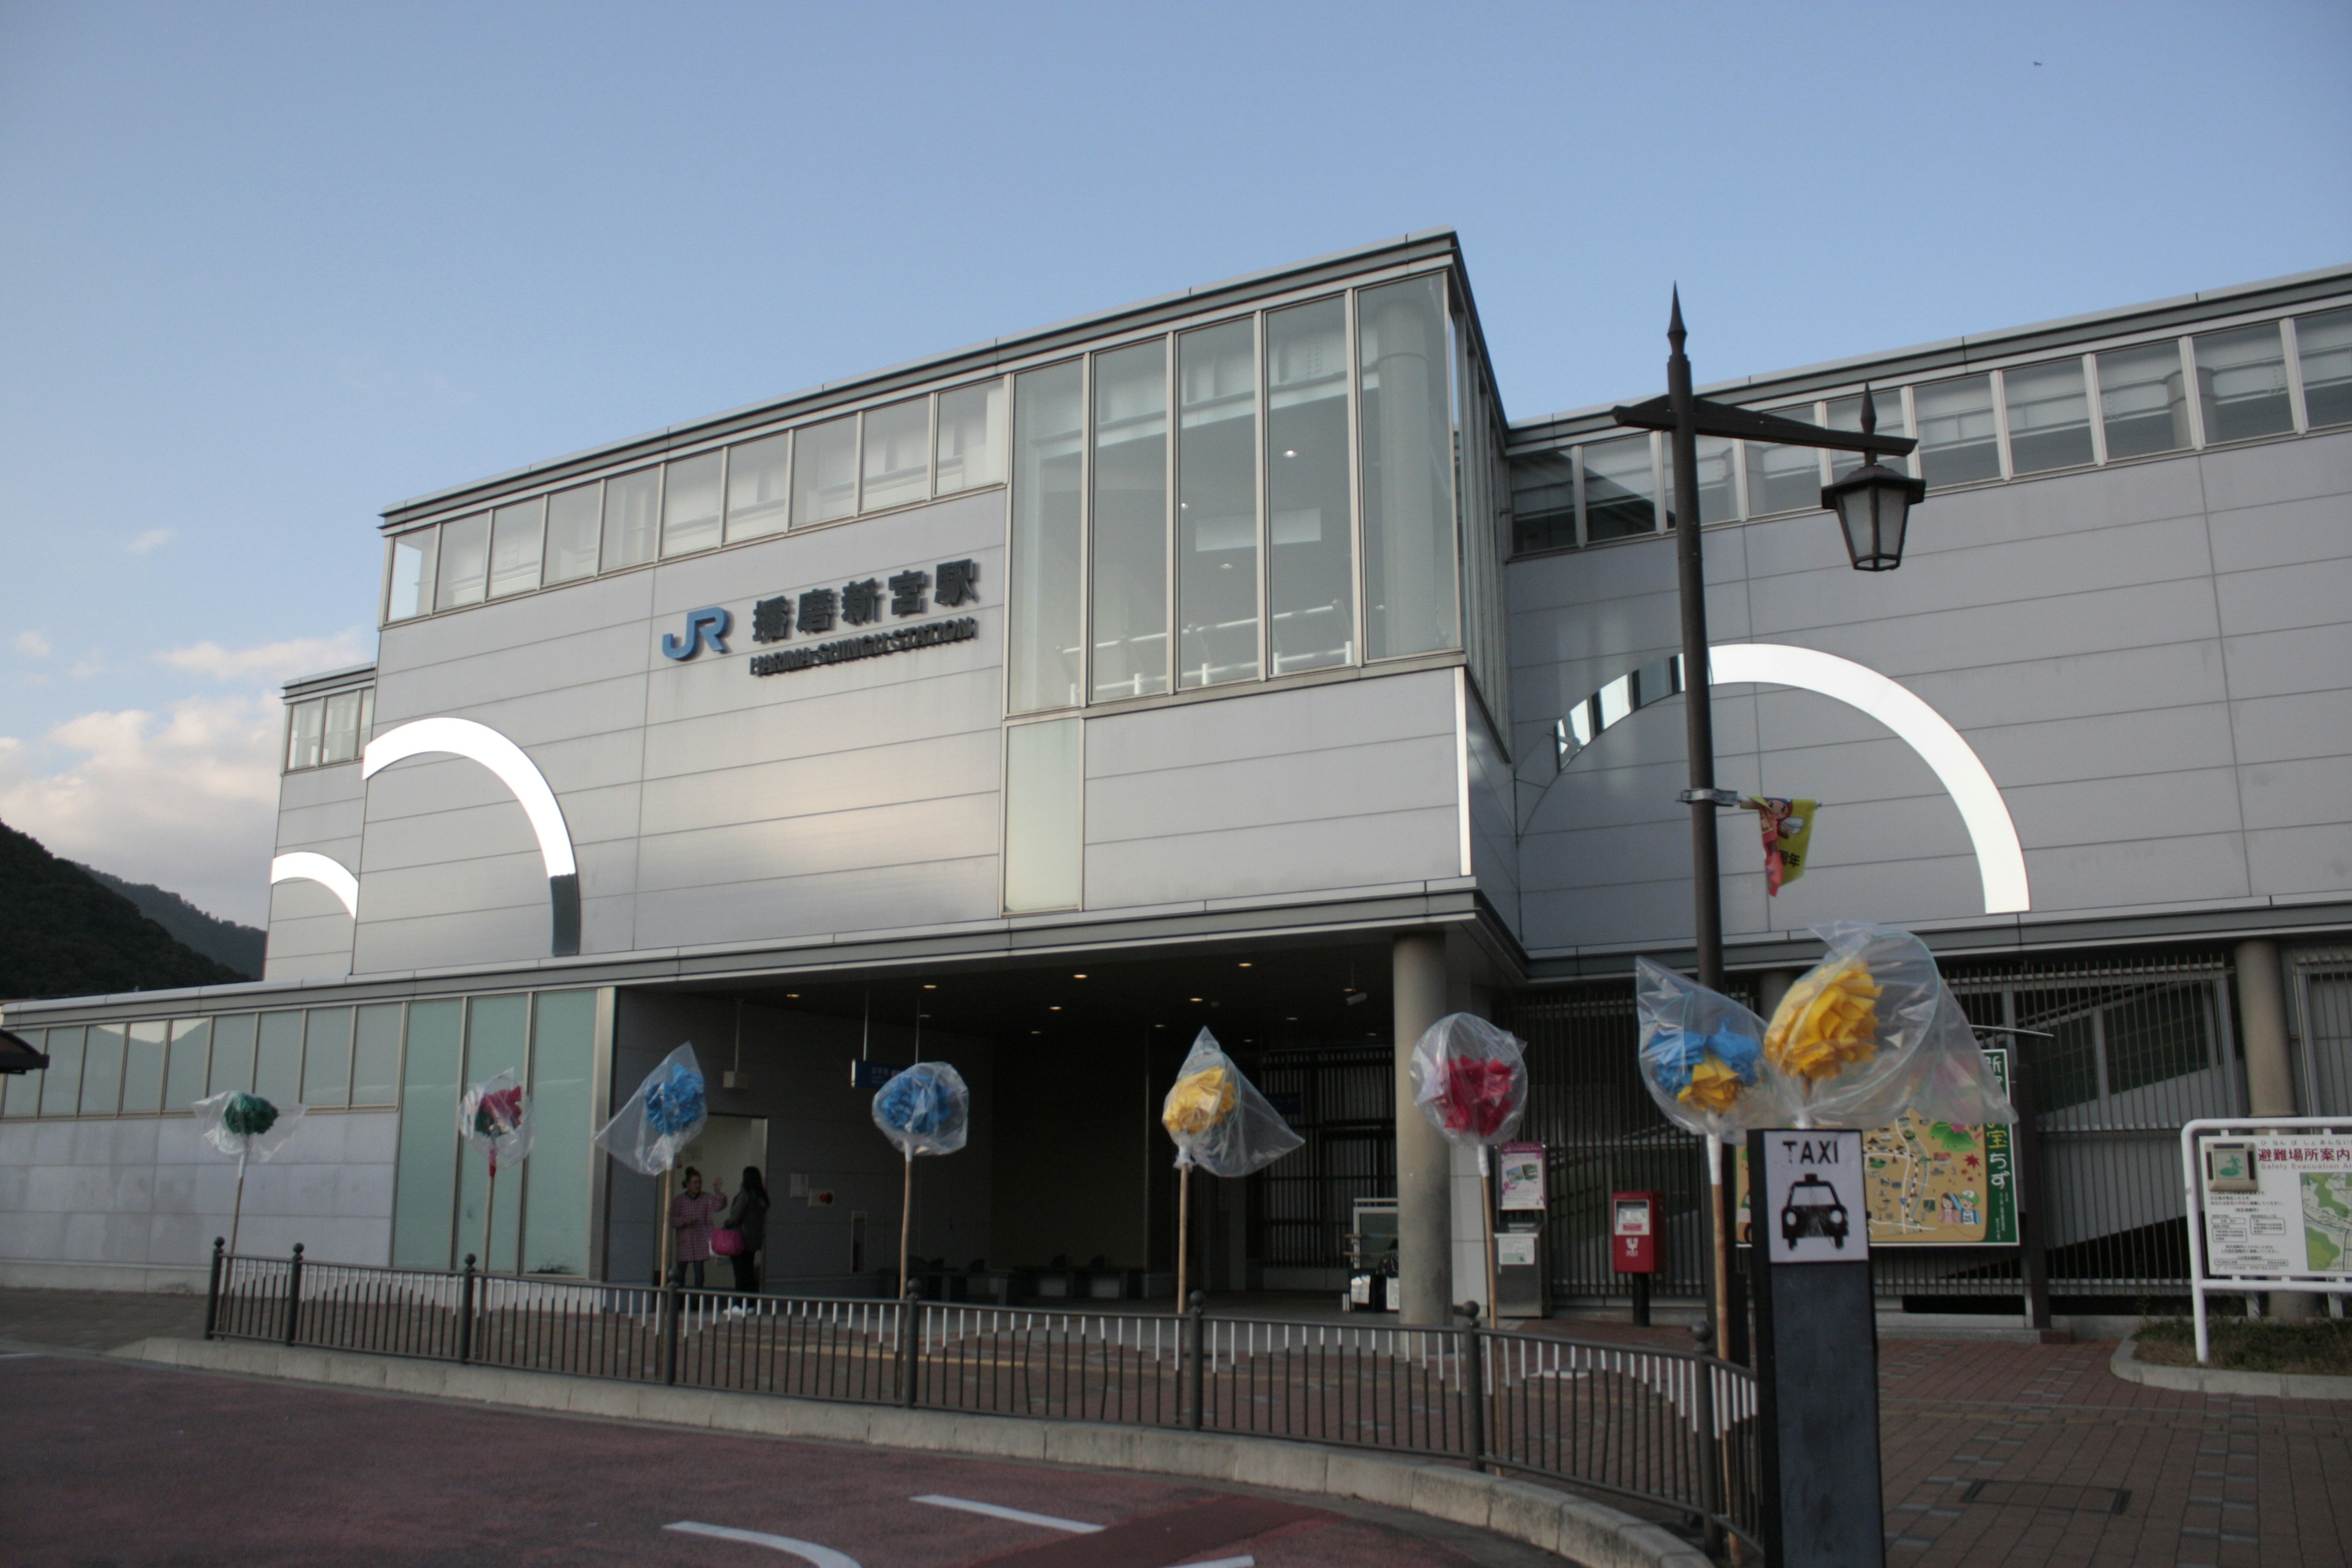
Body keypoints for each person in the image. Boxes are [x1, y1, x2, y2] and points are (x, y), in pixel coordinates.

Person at [668, 1166, 725, 1288]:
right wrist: (685, 1221)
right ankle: (679, 1302)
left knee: (699, 1273)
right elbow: (672, 1220)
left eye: (700, 1182)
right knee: (681, 1273)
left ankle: (696, 1301)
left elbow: (719, 1207)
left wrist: (718, 1193)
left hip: (701, 1240)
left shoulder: (706, 1198)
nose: (698, 1185)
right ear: (687, 1184)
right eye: (695, 1183)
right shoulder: (679, 1200)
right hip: (685, 1240)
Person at [721, 1166, 771, 1295]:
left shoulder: (745, 1195)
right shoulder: (761, 1198)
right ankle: (750, 1303)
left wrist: (726, 1224)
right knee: (748, 1272)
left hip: (740, 1240)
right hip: (754, 1241)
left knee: (740, 1273)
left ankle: (739, 1303)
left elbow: (735, 1217)